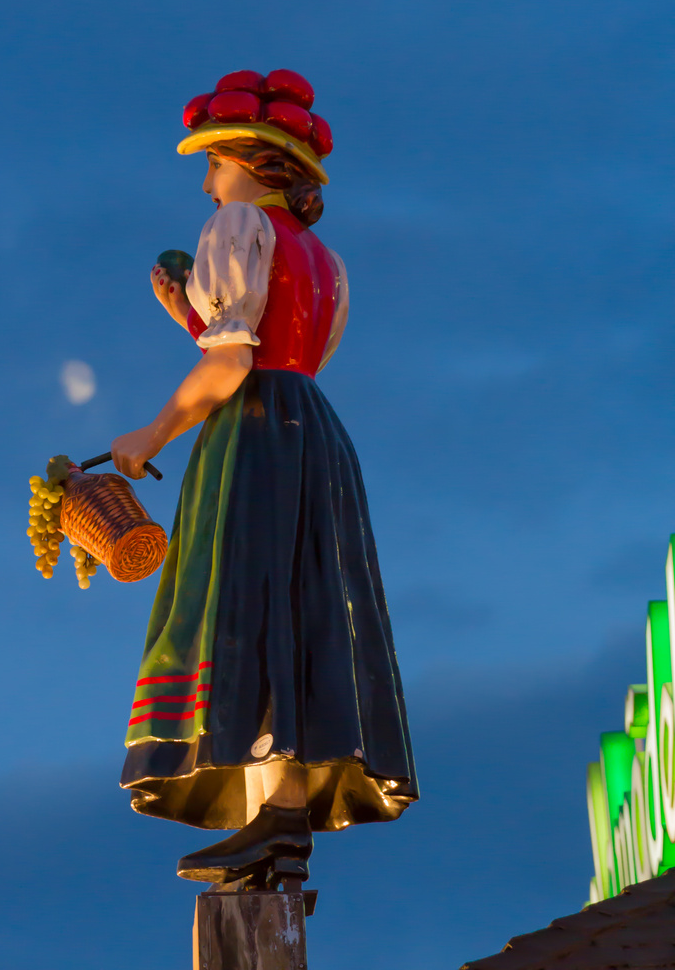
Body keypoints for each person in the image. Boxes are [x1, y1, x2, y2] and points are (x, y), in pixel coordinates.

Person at [112, 69, 418, 887]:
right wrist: (193, 315)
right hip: (311, 432)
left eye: (211, 164)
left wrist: (150, 432)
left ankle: (272, 815)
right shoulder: (326, 259)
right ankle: (274, 820)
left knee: (242, 607)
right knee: (296, 608)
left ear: (246, 162)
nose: (207, 184)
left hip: (251, 436)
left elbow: (236, 363)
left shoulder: (238, 223)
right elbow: (280, 347)